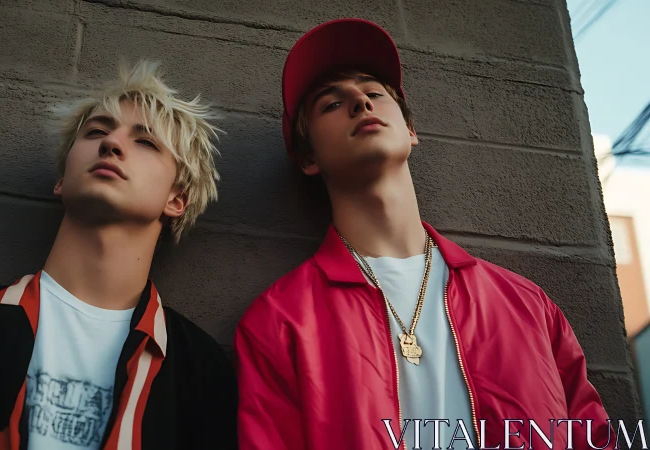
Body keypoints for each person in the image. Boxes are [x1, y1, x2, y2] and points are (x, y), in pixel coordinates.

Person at [234, 18, 614, 450]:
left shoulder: (527, 306)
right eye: (331, 104)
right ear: (308, 158)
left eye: (375, 92)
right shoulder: (280, 322)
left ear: (410, 131)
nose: (360, 101)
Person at [0, 60, 237, 450]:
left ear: (176, 199)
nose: (111, 143)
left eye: (145, 142)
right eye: (97, 131)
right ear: (61, 180)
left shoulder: (201, 376)